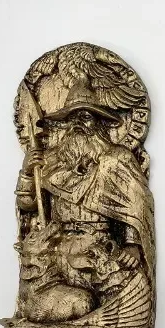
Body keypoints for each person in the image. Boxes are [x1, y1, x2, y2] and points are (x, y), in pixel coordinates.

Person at [17, 78, 154, 275]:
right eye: (72, 118)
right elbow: (28, 206)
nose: (78, 123)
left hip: (100, 246)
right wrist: (27, 173)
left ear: (99, 122)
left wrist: (132, 245)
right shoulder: (49, 160)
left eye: (85, 116)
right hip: (57, 247)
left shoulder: (117, 158)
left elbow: (135, 205)